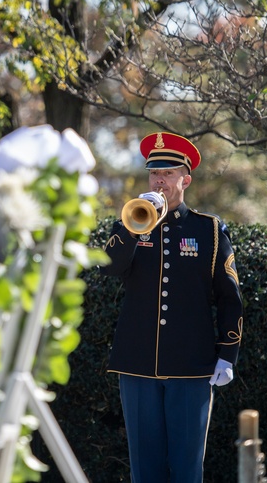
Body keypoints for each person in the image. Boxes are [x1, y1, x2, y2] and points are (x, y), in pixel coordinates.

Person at [102, 132, 243, 483]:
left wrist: (228, 352)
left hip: (191, 368)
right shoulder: (132, 223)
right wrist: (133, 226)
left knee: (186, 469)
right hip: (137, 365)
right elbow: (108, 265)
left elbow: (229, 297)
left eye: (168, 173)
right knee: (145, 470)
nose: (159, 180)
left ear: (186, 179)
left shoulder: (208, 229)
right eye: (153, 173)